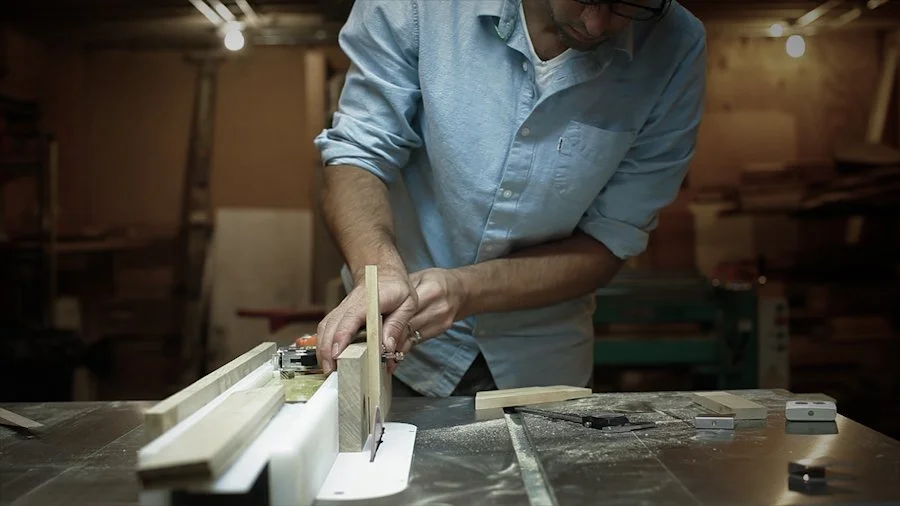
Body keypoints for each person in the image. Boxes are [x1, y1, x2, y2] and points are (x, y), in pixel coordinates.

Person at [312, 0, 706, 397]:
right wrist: (378, 272)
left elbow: (610, 240)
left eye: (630, 6)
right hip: (402, 357)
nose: (598, 22)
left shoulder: (677, 48)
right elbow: (357, 155)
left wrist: (464, 290)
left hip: (542, 364)